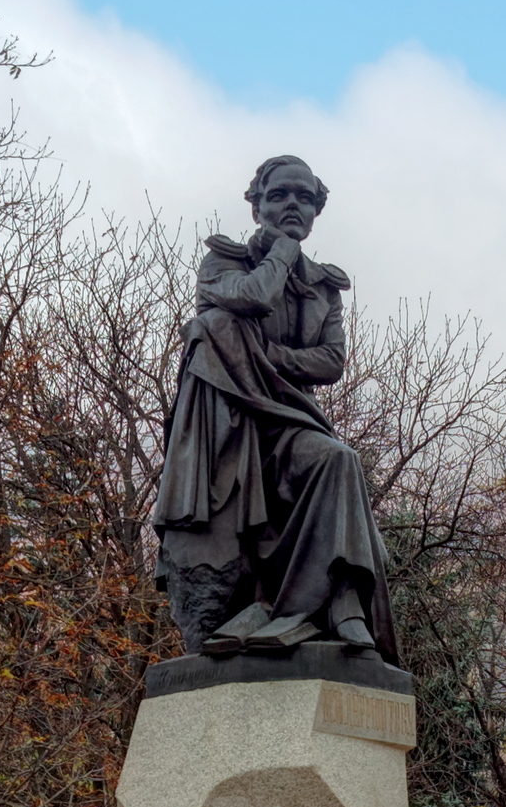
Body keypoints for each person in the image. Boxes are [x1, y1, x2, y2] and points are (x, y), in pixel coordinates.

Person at [152, 155, 397, 658]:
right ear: (256, 205)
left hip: (287, 422)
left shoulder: (325, 287)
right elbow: (253, 297)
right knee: (218, 326)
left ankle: (339, 602)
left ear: (316, 210)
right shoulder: (222, 261)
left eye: (304, 198)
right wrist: (282, 251)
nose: (292, 205)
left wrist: (269, 357)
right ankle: (285, 605)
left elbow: (331, 361)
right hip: (227, 427)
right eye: (279, 195)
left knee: (337, 459)